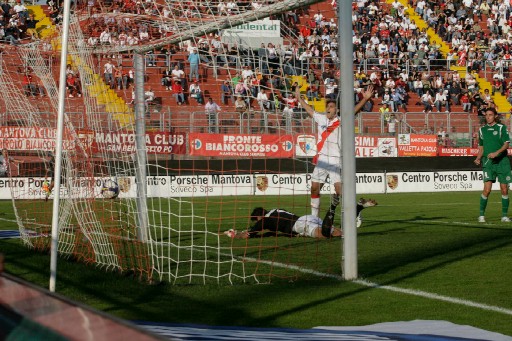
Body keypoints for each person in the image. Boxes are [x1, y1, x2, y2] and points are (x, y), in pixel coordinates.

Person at [296, 85, 374, 237]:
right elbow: (309, 110)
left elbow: (353, 111)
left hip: (336, 161)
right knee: (314, 188)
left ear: (336, 110)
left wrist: (365, 99)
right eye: (327, 106)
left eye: (331, 107)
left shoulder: (341, 119)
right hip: (322, 160)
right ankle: (315, 219)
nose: (328, 109)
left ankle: (355, 211)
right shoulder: (321, 118)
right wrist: (299, 99)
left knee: (339, 191)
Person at [230, 199, 377, 239]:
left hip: (300, 225)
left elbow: (248, 235)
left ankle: (332, 207)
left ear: (259, 216)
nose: (258, 224)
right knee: (341, 234)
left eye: (257, 221)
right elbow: (276, 230)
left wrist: (234, 234)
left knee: (326, 235)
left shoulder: (265, 220)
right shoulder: (276, 211)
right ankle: (357, 209)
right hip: (306, 219)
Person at [474, 108, 512, 223]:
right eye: (486, 115)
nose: (488, 117)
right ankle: (481, 215)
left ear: (495, 116)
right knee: (487, 189)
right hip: (488, 163)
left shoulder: (501, 128)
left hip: (502, 162)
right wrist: (478, 157)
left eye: (490, 115)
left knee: (504, 189)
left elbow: (506, 145)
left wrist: (496, 153)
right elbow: (481, 147)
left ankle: (504, 216)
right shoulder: (482, 130)